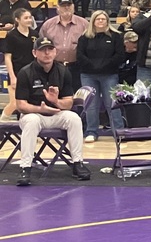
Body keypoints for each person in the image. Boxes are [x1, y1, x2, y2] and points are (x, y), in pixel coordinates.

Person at [14, 36, 92, 186]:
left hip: (56, 113)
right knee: (31, 121)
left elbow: (68, 103)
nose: (47, 53)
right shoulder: (25, 72)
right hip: (33, 114)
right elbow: (21, 105)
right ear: (34, 52)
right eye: (43, 50)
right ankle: (25, 167)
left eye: (50, 49)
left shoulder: (63, 71)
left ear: (55, 52)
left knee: (74, 118)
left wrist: (56, 101)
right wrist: (40, 109)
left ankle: (78, 163)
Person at [77, 10, 126, 142]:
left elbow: (120, 55)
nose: (100, 21)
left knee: (112, 103)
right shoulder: (84, 37)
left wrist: (105, 65)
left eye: (103, 19)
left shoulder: (115, 36)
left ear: (107, 21)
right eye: (98, 19)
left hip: (109, 74)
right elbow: (80, 56)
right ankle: (91, 131)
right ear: (93, 21)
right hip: (88, 74)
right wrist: (93, 65)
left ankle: (118, 131)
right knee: (91, 105)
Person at [38, 0, 88, 89]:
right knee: (54, 95)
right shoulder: (48, 25)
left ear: (73, 6)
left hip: (77, 66)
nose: (66, 8)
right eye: (63, 6)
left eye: (68, 5)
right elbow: (41, 46)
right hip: (54, 66)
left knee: (78, 97)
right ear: (58, 7)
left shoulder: (84, 24)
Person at [1, 9, 37, 121]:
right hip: (17, 72)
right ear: (17, 20)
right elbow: (8, 57)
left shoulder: (35, 34)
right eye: (25, 18)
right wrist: (12, 76)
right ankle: (2, 123)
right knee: (15, 103)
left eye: (30, 17)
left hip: (32, 73)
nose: (29, 20)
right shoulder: (11, 36)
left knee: (29, 103)